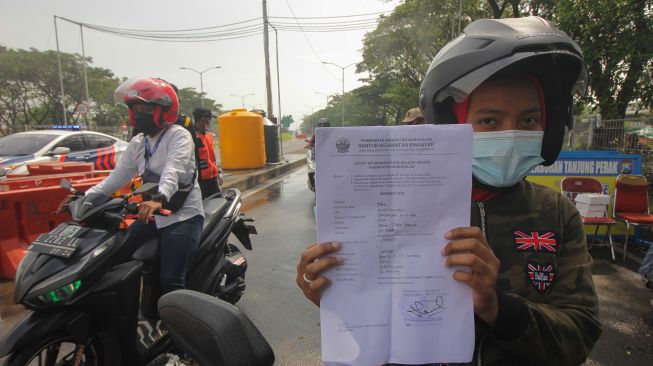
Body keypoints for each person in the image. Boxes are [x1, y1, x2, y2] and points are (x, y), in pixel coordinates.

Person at [296, 16, 602, 366]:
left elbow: (580, 334)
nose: (512, 134)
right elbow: (371, 335)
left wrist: (498, 309)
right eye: (489, 121)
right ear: (450, 126)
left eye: (529, 120)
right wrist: (339, 298)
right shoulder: (397, 208)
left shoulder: (557, 213)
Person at [192, 107, 222, 198]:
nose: (210, 121)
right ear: (202, 119)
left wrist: (218, 173)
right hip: (200, 181)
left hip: (212, 179)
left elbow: (212, 158)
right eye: (209, 119)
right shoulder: (191, 136)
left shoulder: (208, 135)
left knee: (218, 204)